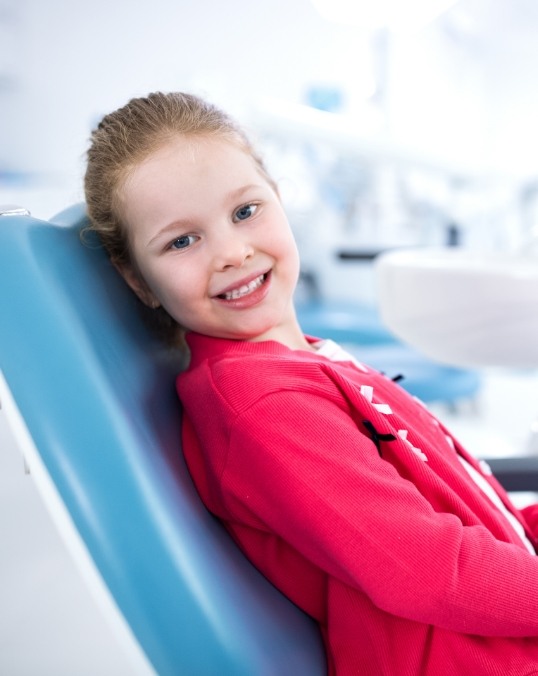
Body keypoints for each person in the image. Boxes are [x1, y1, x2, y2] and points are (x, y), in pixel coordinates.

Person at [84, 91, 538, 675]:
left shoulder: (309, 362)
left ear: (277, 196)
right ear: (139, 280)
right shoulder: (263, 406)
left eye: (245, 211)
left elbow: (470, 509)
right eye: (181, 241)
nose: (233, 251)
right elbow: (431, 573)